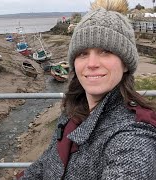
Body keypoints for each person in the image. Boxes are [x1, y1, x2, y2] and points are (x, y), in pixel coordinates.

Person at [19, 0, 156, 179]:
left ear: (125, 64)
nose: (91, 64)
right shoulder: (73, 110)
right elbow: (47, 161)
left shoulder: (134, 134)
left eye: (105, 51)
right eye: (83, 53)